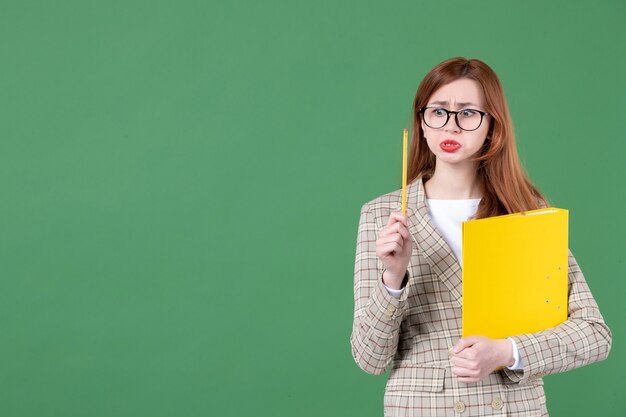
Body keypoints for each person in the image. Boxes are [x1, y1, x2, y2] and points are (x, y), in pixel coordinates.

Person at [350, 57, 611, 416]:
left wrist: (508, 352)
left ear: (492, 126)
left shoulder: (527, 210)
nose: (451, 126)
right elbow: (370, 358)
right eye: (438, 111)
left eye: (468, 113)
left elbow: (594, 334)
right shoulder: (382, 214)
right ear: (421, 124)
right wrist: (393, 278)